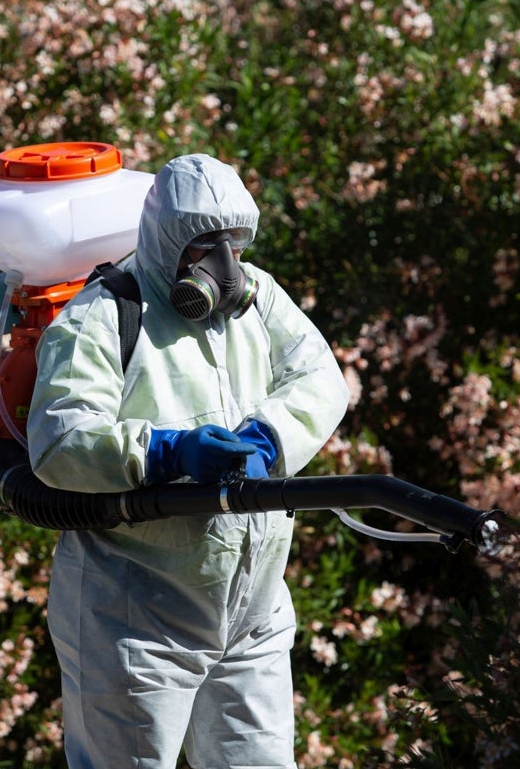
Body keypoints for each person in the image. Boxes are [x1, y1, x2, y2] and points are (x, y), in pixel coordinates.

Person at [26, 153, 350, 768]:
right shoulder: (104, 313)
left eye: (235, 242)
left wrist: (270, 438)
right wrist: (165, 451)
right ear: (166, 240)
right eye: (205, 243)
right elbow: (60, 437)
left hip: (251, 613)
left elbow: (320, 377)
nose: (225, 265)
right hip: (136, 619)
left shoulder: (259, 301)